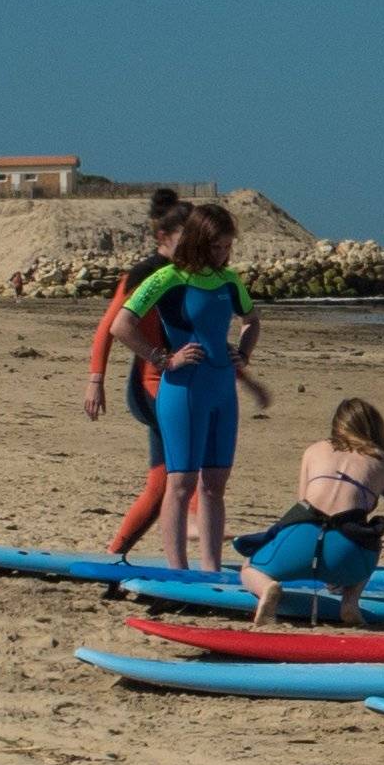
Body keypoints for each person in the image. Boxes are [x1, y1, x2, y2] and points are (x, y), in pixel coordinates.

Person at [125, 202, 271, 571]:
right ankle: (178, 570)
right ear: (198, 241)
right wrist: (162, 359)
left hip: (222, 390)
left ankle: (211, 567)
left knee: (215, 484)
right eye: (216, 246)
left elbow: (251, 320)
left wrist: (244, 353)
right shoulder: (167, 278)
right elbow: (121, 325)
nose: (223, 254)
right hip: (184, 390)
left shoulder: (229, 280)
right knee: (181, 482)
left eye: (227, 247)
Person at [234, 396, 384, 625]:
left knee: (249, 567)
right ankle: (350, 601)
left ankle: (266, 588)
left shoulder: (315, 449)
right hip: (348, 552)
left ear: (337, 426)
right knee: (371, 534)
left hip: (300, 540)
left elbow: (302, 505)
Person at [84, 190, 191, 556]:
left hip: (175, 383)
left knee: (160, 484)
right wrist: (96, 380)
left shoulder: (187, 274)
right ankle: (191, 521)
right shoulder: (145, 273)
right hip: (151, 385)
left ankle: (115, 555)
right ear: (165, 236)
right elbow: (108, 326)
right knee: (192, 465)